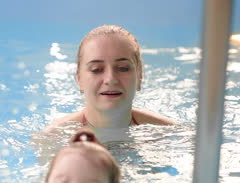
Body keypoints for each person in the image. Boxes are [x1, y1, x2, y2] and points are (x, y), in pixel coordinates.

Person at [44, 24, 176, 132]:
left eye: (123, 68)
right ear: (79, 79)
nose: (110, 79)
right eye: (96, 69)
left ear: (139, 76)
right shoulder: (54, 138)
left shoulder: (168, 133)